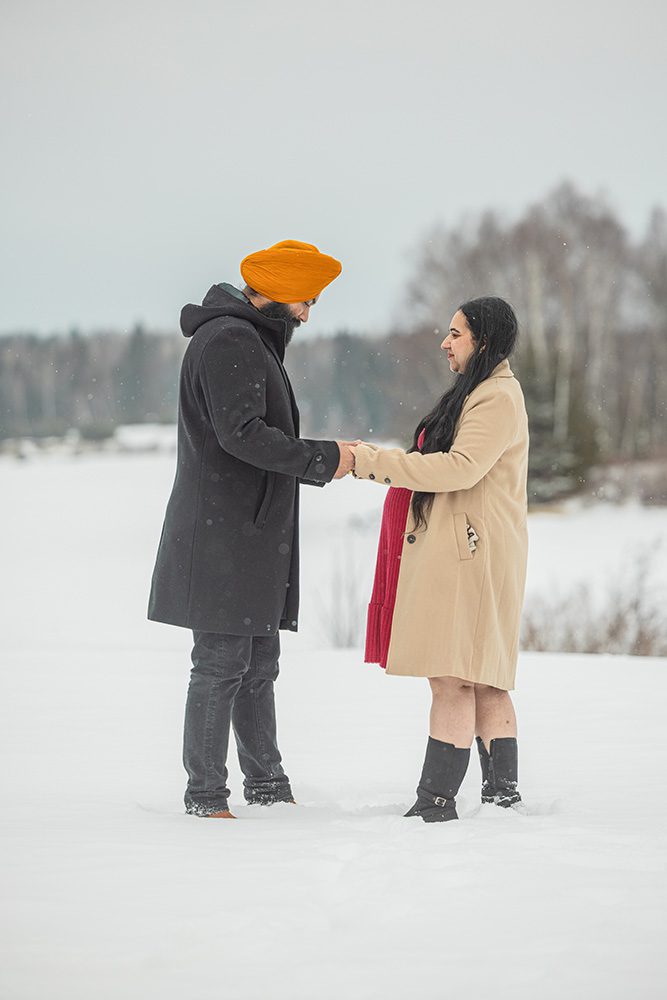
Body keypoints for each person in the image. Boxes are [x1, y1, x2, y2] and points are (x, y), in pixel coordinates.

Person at [148, 240, 357, 819]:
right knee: (220, 665)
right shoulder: (232, 339)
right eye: (306, 300)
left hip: (247, 533)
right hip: (225, 537)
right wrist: (323, 458)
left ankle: (266, 785)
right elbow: (240, 434)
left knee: (258, 665)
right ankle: (206, 797)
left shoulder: (246, 338)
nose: (310, 314)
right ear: (276, 292)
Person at [350, 297, 529, 822]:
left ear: (484, 341)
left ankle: (435, 805)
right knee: (480, 677)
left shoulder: (495, 397)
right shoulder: (482, 393)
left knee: (453, 677)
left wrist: (369, 461)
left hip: (472, 552)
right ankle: (501, 800)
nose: (445, 342)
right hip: (476, 548)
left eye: (456, 333)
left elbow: (457, 469)